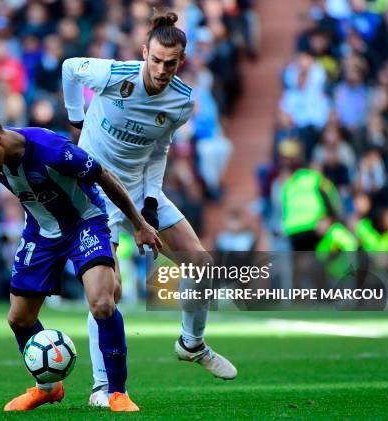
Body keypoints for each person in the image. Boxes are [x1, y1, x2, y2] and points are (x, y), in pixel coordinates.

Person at [0, 105, 161, 412]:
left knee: (102, 302)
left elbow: (105, 177)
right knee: (19, 318)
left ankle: (117, 393)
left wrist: (140, 224)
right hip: (41, 231)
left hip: (85, 223)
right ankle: (48, 388)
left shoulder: (54, 151)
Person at [61, 8, 237, 407]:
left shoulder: (181, 102)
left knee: (202, 265)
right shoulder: (113, 75)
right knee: (109, 293)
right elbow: (70, 67)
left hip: (139, 191)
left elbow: (159, 148)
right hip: (93, 193)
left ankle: (191, 344)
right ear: (144, 52)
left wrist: (152, 203)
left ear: (182, 62)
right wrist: (76, 116)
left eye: (170, 64)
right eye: (155, 60)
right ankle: (102, 388)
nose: (161, 70)